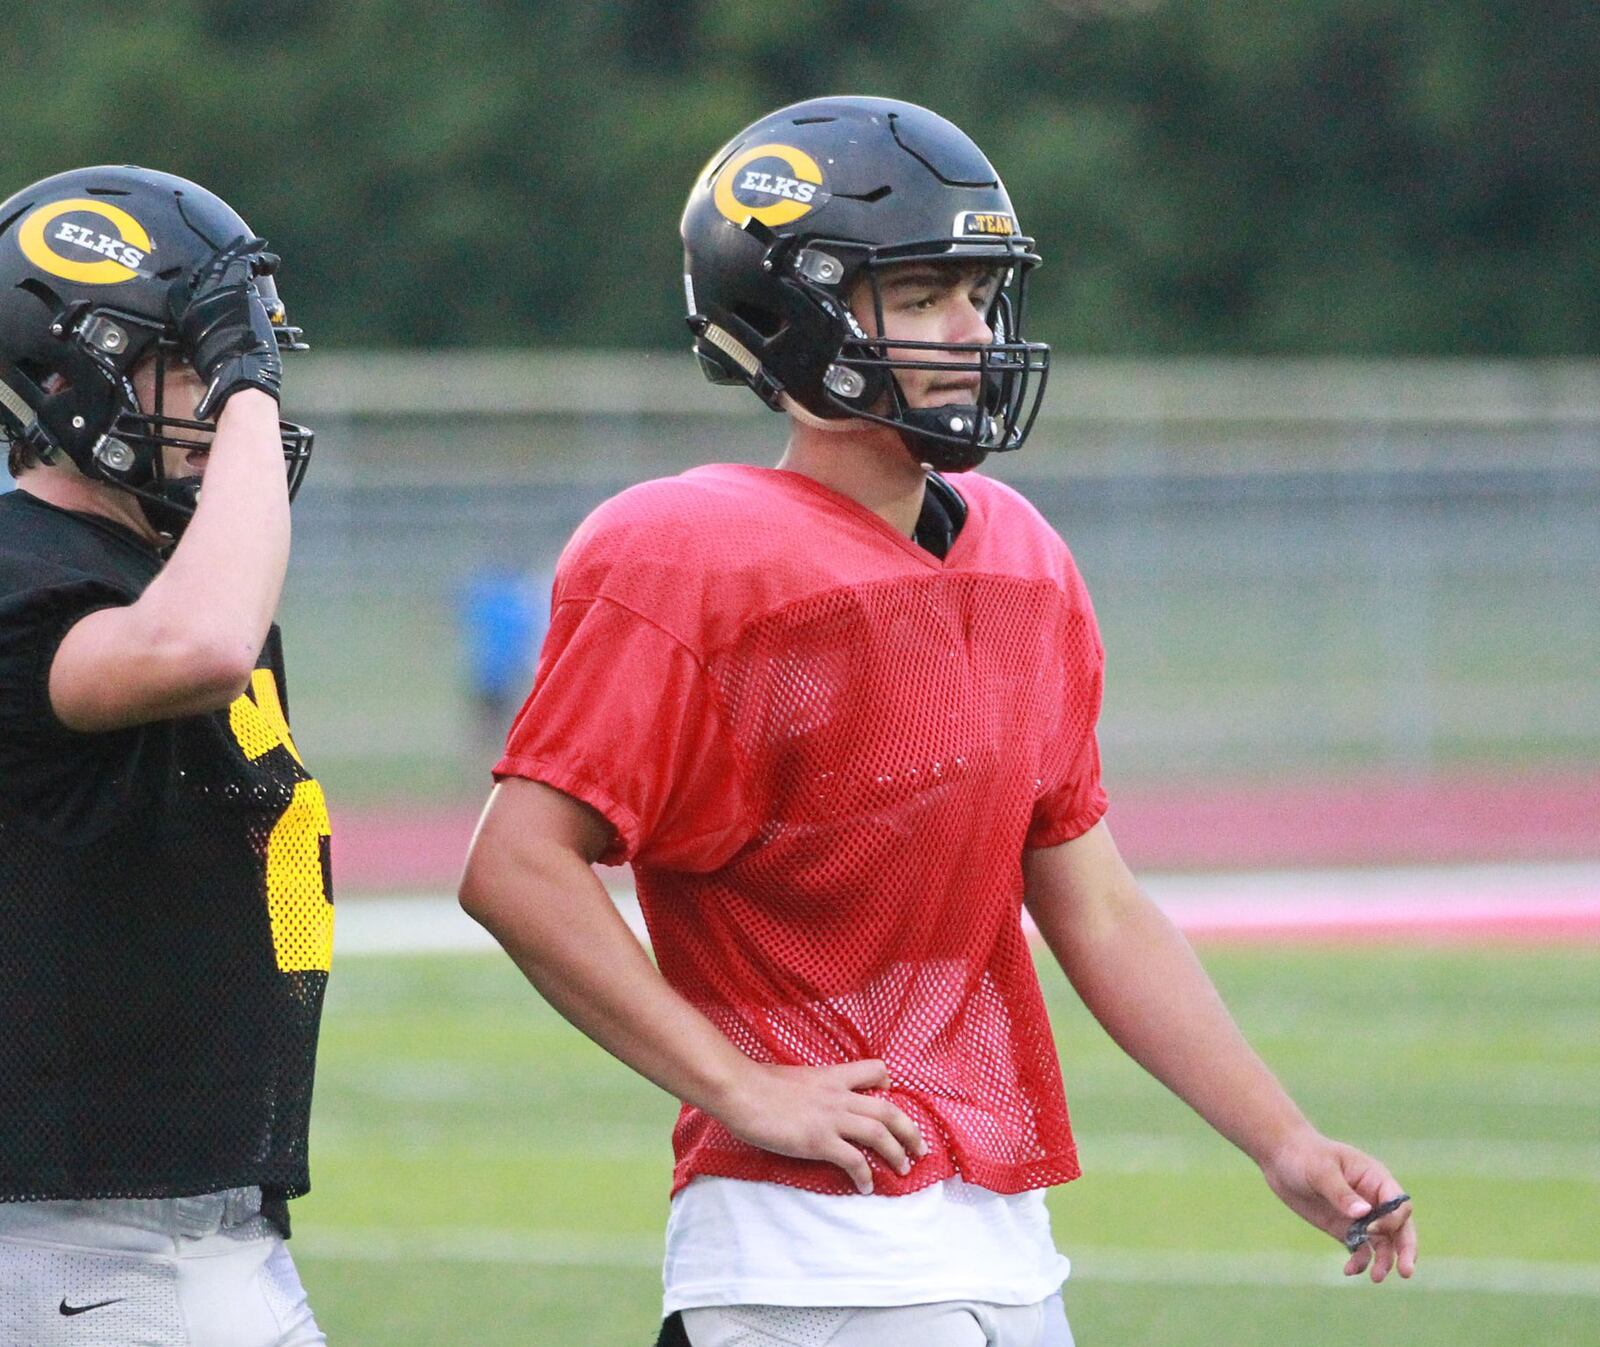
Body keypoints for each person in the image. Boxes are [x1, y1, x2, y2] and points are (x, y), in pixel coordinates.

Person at [459, 96, 1417, 1347]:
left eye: (975, 291)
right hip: (806, 1253)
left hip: (998, 1237)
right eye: (917, 296)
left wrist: (1278, 1137)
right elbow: (516, 865)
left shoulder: (1022, 555)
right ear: (787, 322)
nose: (970, 330)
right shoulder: (690, 551)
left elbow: (1096, 901)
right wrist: (739, 1086)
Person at [0, 166, 331, 1347]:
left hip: (199, 1225)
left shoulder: (167, 579)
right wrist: (242, 380)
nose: (234, 401)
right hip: (74, 1234)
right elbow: (197, 646)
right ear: (67, 374)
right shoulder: (28, 567)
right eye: (183, 364)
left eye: (232, 366)